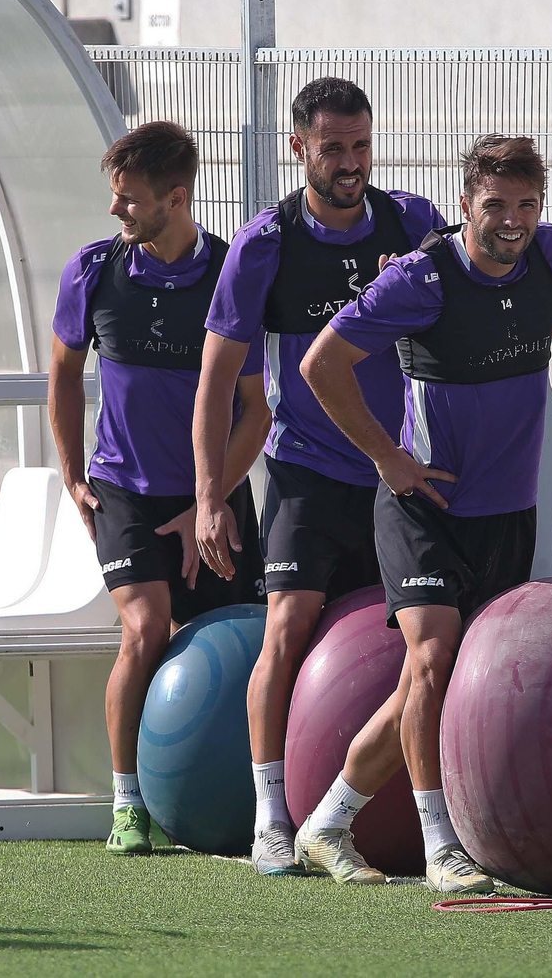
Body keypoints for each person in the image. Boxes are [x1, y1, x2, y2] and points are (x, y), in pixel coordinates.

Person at [295, 134, 552, 891]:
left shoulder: (548, 256)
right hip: (422, 506)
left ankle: (327, 822)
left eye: (526, 204)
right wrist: (385, 458)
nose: (513, 220)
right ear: (466, 205)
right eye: (495, 204)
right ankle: (442, 849)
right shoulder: (420, 280)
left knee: (424, 687)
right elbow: (319, 364)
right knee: (431, 661)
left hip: (507, 514)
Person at [192, 78, 446, 876]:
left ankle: (394, 821)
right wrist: (208, 498)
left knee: (420, 647)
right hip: (305, 473)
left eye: (361, 145)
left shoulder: (413, 223)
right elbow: (214, 381)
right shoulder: (263, 243)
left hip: (395, 476)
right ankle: (273, 819)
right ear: (298, 147)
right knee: (287, 630)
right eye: (332, 147)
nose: (350, 162)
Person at [49, 121, 270, 857]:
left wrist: (206, 504)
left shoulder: (227, 275)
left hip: (213, 495)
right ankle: (127, 803)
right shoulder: (93, 271)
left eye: (130, 201)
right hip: (127, 494)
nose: (117, 212)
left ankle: (264, 804)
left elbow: (255, 411)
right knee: (145, 630)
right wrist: (74, 475)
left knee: (251, 641)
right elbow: (62, 378)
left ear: (176, 200)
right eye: (114, 198)